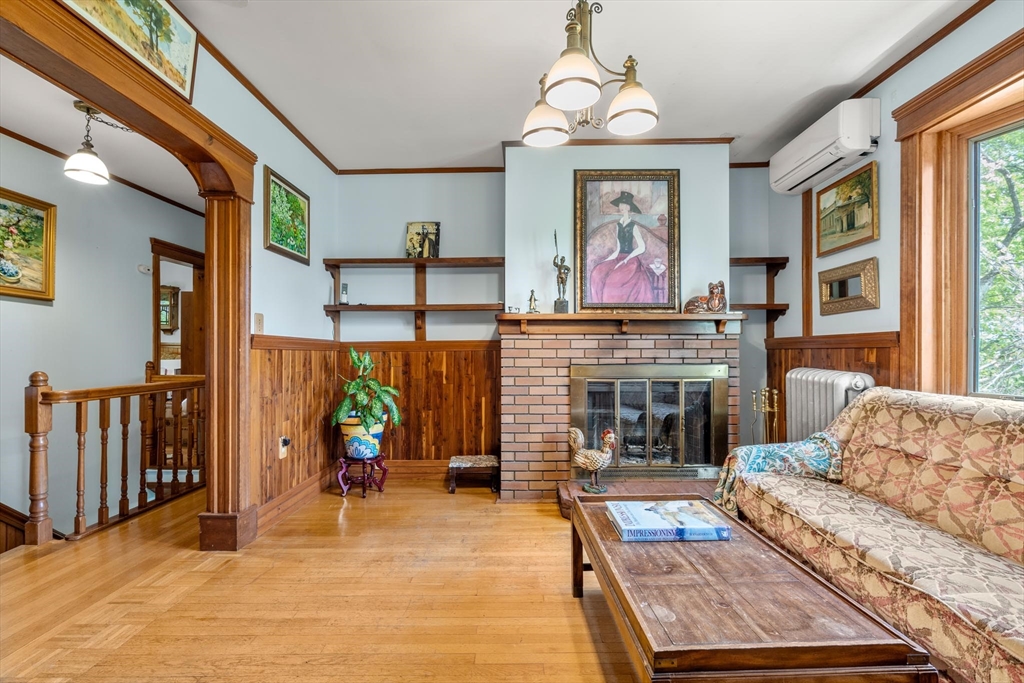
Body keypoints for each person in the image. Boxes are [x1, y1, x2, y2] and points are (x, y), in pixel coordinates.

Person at [589, 191, 654, 304]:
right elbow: (618, 248)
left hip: (631, 261)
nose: (622, 207)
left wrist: (627, 259)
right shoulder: (618, 225)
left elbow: (642, 247)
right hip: (618, 257)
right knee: (596, 272)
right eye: (621, 204)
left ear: (629, 207)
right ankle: (599, 307)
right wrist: (607, 260)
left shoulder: (633, 226)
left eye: (625, 205)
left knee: (613, 281)